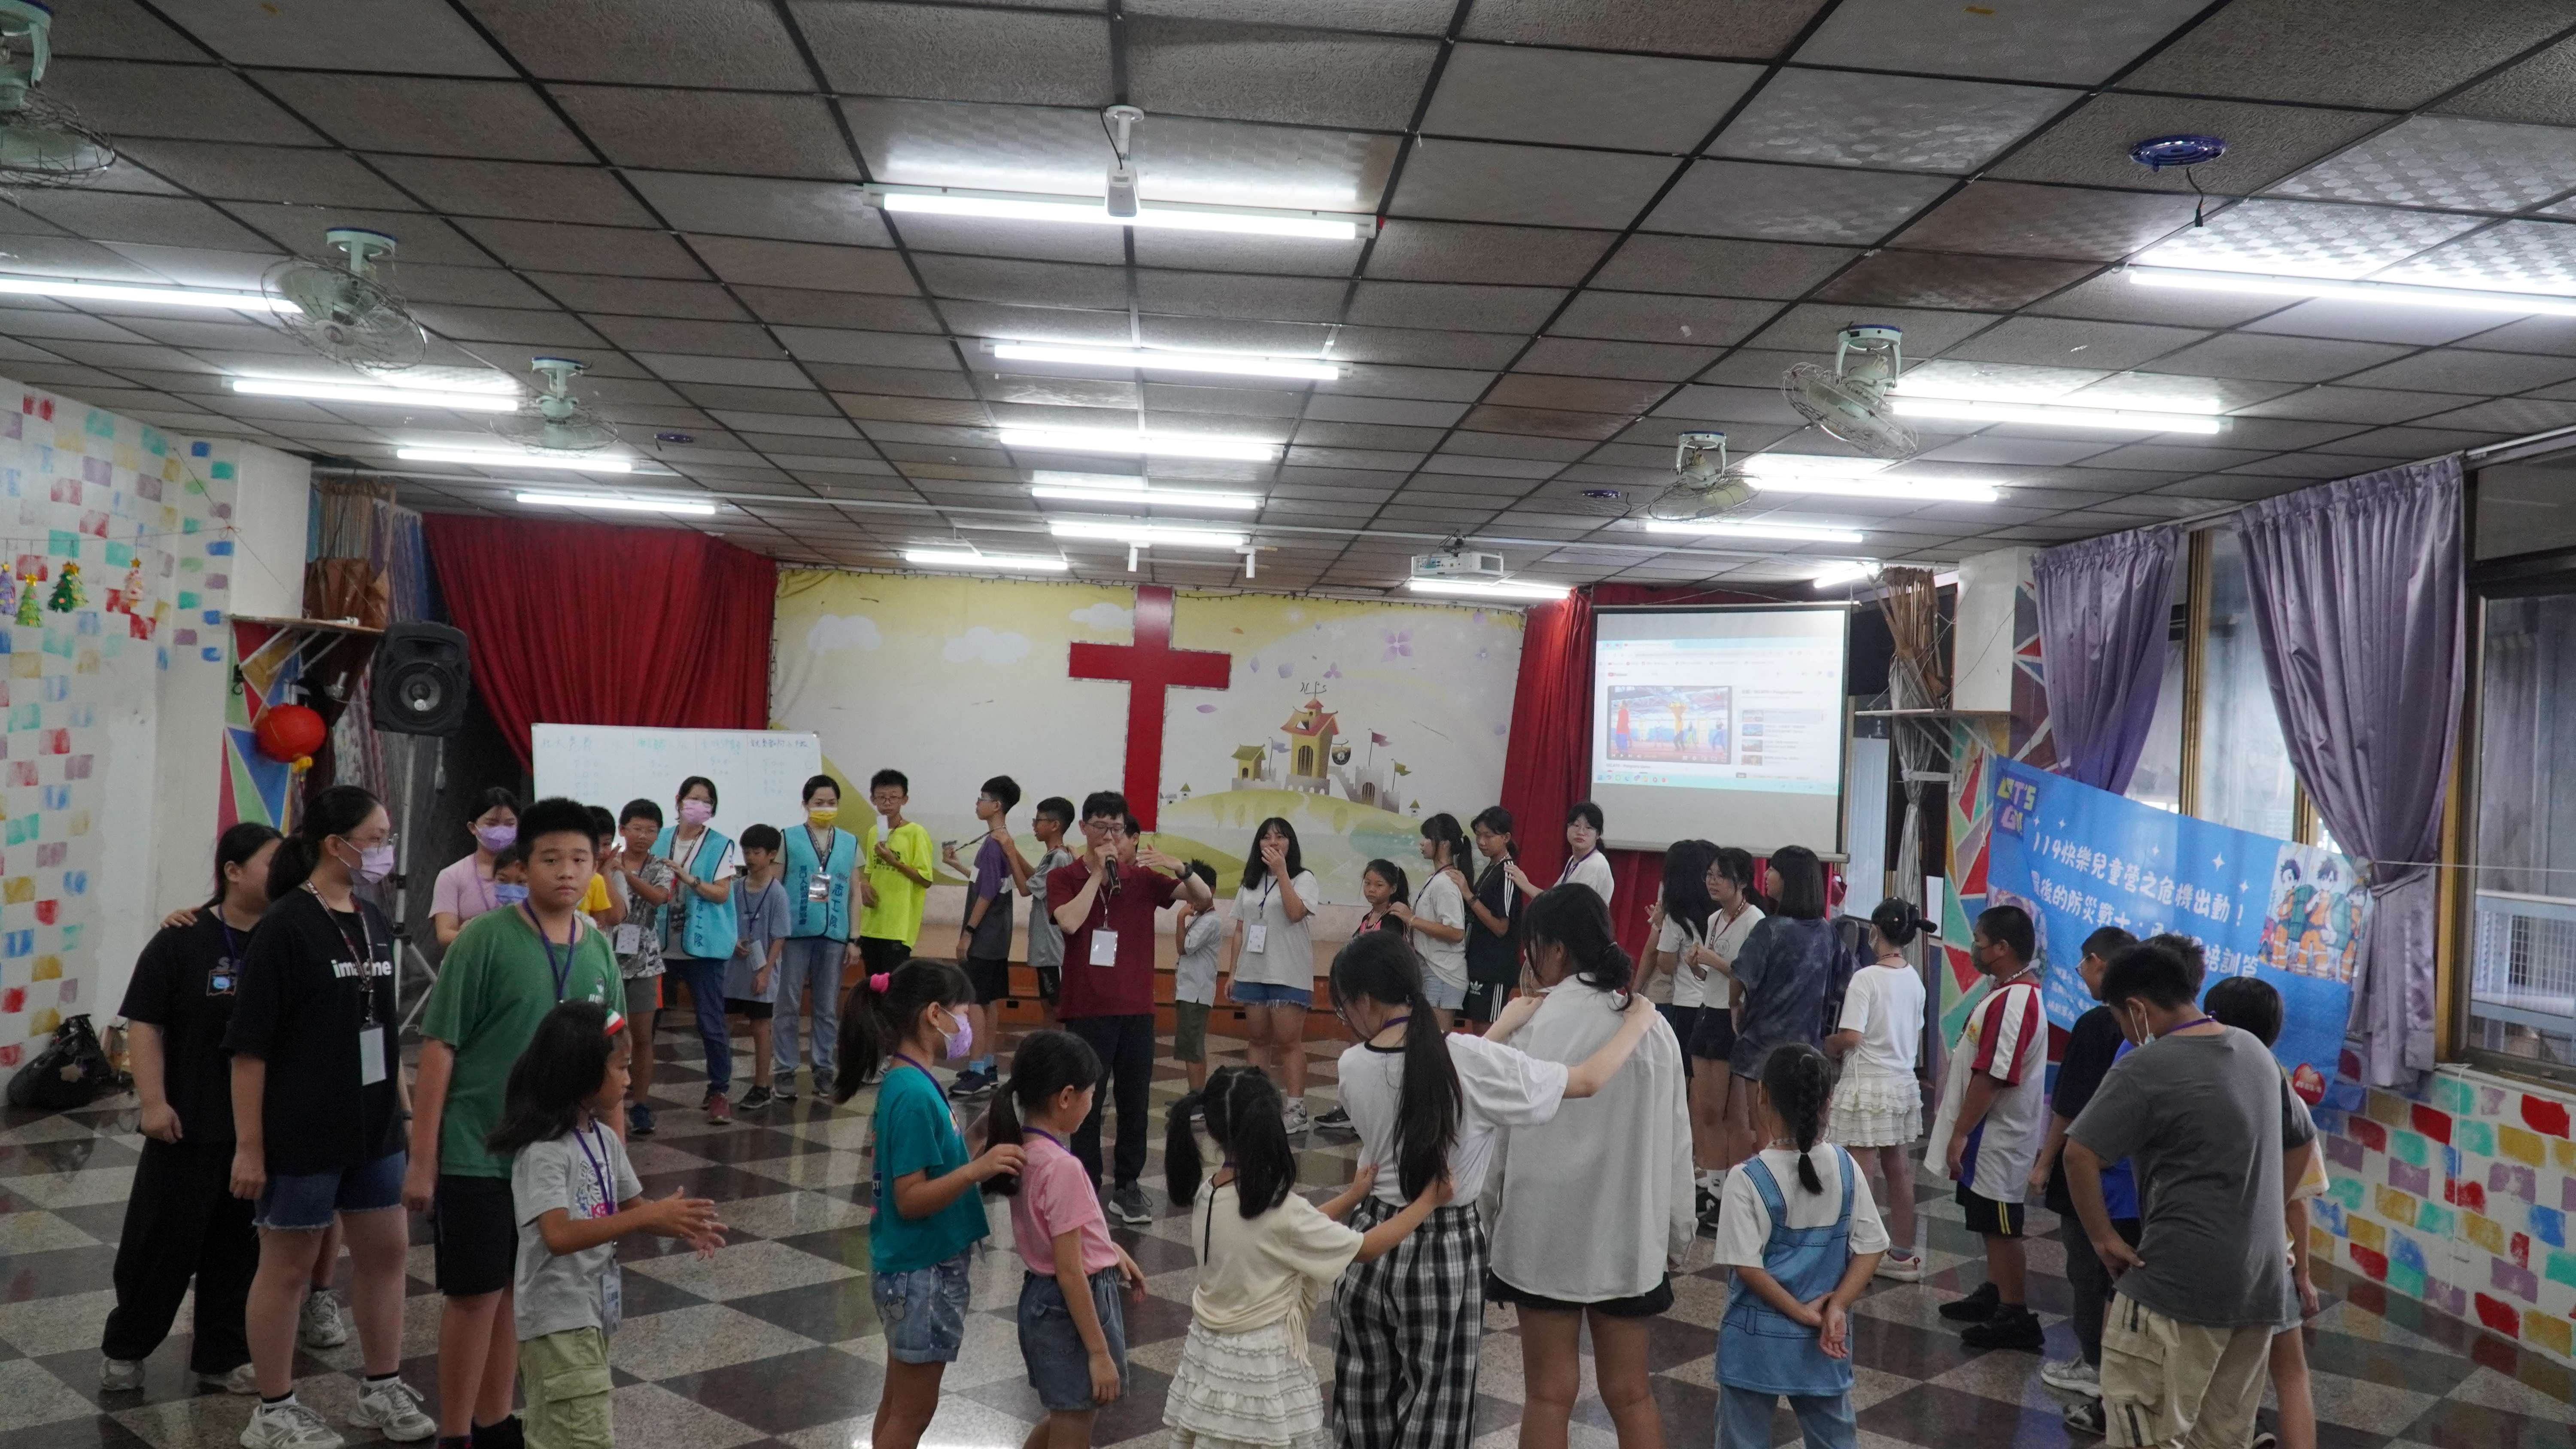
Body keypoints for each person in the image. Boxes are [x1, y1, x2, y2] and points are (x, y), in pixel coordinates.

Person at [1326, 930, 1658, 1449]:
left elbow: (1432, 1070)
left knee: (1363, 1397)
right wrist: (1638, 1022)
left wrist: (1502, 1024)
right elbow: (1587, 1080)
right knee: (1436, 1406)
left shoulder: (1352, 1066)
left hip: (1369, 1240)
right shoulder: (1469, 1061)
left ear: (1365, 1001)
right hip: (1443, 1249)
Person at [223, 785, 437, 1449]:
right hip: (302, 1127)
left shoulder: (370, 917)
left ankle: (381, 1387)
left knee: (387, 1252)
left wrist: (404, 1117)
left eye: (386, 838)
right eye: (375, 839)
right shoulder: (286, 925)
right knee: (288, 1267)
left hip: (373, 1127)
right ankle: (274, 1409)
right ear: (334, 844)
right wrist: (250, 1147)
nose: (384, 851)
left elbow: (381, 1030)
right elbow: (249, 1050)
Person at [410, 797, 624, 1449]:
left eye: (580, 859)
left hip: (556, 1161)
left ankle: (494, 1421)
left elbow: (611, 1059)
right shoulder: (483, 939)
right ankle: (455, 1433)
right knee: (475, 1296)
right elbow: (440, 1046)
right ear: (521, 867)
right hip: (479, 1149)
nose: (567, 871)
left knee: (519, 1293)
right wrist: (423, 1160)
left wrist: (615, 1162)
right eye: (551, 859)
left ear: (595, 868)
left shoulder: (598, 948)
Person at [2065, 941, 2318, 1449]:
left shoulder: (2145, 1065)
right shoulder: (2255, 1051)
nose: (2123, 1028)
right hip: (2257, 1284)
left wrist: (2103, 1237)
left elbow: (2079, 1154)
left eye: (2120, 1017)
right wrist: (2263, 1210)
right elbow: (2302, 1140)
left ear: (2137, 1007)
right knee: (2222, 1437)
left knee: (2144, 1433)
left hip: (2175, 1282)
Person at [1482, 886, 1693, 1449]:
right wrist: (1676, 1235)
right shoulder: (1651, 1027)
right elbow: (1678, 1144)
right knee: (1632, 1394)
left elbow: (1496, 1144)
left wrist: (1489, 1222)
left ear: (1554, 950)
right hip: (1626, 1237)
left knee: (1547, 1394)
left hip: (1539, 1235)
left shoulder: (1530, 1025)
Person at [1163, 1066, 1449, 1449]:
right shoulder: (1276, 1210)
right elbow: (1363, 1247)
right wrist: (1428, 1202)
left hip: (1211, 1355)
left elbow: (1289, 1232)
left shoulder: (1208, 1192)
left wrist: (1352, 1196)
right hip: (1261, 1364)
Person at [488, 1001, 724, 1449]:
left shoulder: (603, 1139)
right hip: (557, 1323)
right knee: (580, 1438)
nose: (629, 1079)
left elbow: (635, 1207)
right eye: (621, 1067)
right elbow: (558, 1235)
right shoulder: (544, 1152)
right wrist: (646, 1216)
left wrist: (679, 1224)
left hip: (590, 1315)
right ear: (582, 1073)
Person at [100, 822, 283, 1396]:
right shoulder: (181, 939)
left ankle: (222, 1355)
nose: (283, 874)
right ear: (233, 871)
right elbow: (146, 1025)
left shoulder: (286, 936)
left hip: (260, 1129)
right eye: (272, 862)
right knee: (160, 1245)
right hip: (188, 1123)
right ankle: (127, 1346)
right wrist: (153, 1103)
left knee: (239, 1248)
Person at [837, 961, 1027, 1449]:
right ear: (934, 1014)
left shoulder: (913, 1081)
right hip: (923, 1271)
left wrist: (978, 1135)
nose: (967, 1023)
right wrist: (978, 1170)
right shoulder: (914, 1093)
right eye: (962, 1011)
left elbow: (934, 1164)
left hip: (910, 1267)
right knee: (913, 1413)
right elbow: (911, 1197)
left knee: (897, 1404)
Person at [1049, 794, 1216, 1224]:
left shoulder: (1141, 879)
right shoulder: (1065, 876)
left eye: (1117, 828)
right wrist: (1096, 876)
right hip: (1088, 1010)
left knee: (1135, 1103)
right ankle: (1086, 1184)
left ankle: (1128, 1185)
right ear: (1083, 828)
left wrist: (1181, 868)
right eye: (1101, 827)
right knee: (1086, 1102)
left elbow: (1203, 898)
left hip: (1137, 1010)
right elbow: (1069, 921)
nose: (1110, 836)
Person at [1710, 1044, 1887, 1449]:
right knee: (1834, 1439)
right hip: (1824, 1339)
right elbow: (1872, 1247)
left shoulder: (1746, 1179)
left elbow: (1747, 1267)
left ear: (1762, 1095)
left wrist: (1798, 1312)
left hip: (1754, 1343)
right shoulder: (1845, 1166)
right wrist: (1836, 1306)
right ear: (1828, 1101)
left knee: (1742, 1440)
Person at [985, 1030, 1147, 1449]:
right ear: (1066, 1097)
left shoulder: (1024, 1151)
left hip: (1043, 1300)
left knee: (1067, 1414)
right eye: (1093, 1094)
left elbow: (1060, 1235)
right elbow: (1070, 1270)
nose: (1095, 1103)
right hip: (1071, 1308)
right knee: (1073, 1421)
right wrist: (1098, 1353)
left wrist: (1108, 1249)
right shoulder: (1063, 1167)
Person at [2203, 976, 2327, 1449]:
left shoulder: (2193, 1080)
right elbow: (2297, 1200)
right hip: (2269, 1260)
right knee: (2291, 1374)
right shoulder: (2283, 1092)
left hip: (2201, 1255)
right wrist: (2304, 1274)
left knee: (2206, 1379)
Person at [2028, 926, 2142, 1418]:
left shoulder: (2100, 1025)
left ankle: (2096, 1364)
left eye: (2083, 963)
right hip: (2140, 1190)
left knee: (2090, 1269)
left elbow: (2071, 1107)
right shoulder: (2154, 1032)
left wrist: (2044, 1162)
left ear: (2099, 962)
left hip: (2101, 1182)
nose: (2079, 972)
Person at [1926, 904, 2049, 1352]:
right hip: (1989, 1134)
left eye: (1978, 941)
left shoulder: (2016, 1000)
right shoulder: (2005, 991)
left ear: (2001, 948)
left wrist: (1961, 1132)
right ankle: (1995, 1292)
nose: (1973, 948)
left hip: (1998, 1137)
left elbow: (1995, 1073)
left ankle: (2015, 1313)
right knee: (1985, 1219)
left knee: (2002, 1225)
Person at [1824, 899, 1932, 1283]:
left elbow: (1852, 1036)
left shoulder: (1866, 978)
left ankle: (1860, 1258)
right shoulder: (1914, 980)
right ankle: (1902, 1254)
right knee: (1899, 1171)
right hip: (1900, 1084)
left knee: (1860, 1174)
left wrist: (1829, 1042)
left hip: (1867, 1083)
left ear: (1875, 930)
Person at [1221, 816, 1322, 1133]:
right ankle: (1258, 1104)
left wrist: (1282, 873)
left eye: (1280, 837)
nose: (1273, 842)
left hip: (1287, 972)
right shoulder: (1250, 881)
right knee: (1257, 1039)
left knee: (1289, 1042)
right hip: (1253, 971)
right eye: (1266, 837)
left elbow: (1295, 913)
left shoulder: (1304, 878)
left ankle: (1296, 1109)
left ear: (1291, 843)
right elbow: (1240, 929)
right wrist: (1233, 973)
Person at [1687, 848, 1767, 1228]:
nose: (1712, 882)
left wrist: (1712, 960)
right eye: (1709, 874)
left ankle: (1731, 1194)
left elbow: (1747, 976)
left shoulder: (1755, 920)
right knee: (1708, 1110)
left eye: (1720, 876)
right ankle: (1716, 1187)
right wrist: (1697, 966)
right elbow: (1711, 976)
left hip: (1732, 1018)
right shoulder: (1714, 918)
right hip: (1707, 1010)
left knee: (1729, 1114)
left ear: (1742, 882)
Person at [776, 773, 866, 1104]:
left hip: (834, 935)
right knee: (787, 1004)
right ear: (806, 804)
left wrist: (854, 938)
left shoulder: (849, 842)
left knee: (827, 1007)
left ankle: (824, 1069)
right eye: (819, 803)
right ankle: (784, 1070)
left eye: (831, 803)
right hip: (794, 934)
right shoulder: (788, 838)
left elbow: (855, 893)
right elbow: (775, 888)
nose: (825, 808)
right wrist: (774, 935)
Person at [656, 776, 742, 1124]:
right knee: (646, 1018)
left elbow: (722, 893)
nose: (699, 806)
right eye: (693, 799)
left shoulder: (721, 844)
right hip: (659, 944)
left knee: (710, 1021)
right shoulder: (659, 838)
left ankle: (719, 1090)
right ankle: (630, 1085)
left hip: (702, 948)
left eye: (707, 802)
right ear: (679, 800)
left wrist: (688, 878)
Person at [943, 774, 1024, 1102]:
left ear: (997, 805)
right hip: (998, 937)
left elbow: (987, 893)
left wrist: (968, 933)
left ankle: (977, 1068)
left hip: (986, 937)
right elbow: (985, 882)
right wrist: (958, 866)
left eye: (982, 798)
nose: (977, 804)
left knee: (976, 1001)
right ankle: (988, 1066)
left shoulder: (994, 844)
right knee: (988, 1000)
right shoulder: (1000, 840)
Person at [607, 800, 674, 1137]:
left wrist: (626, 874)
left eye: (651, 830)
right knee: (604, 1034)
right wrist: (610, 869)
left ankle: (642, 1105)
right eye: (637, 828)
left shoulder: (661, 866)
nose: (643, 836)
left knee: (642, 1037)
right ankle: (604, 1100)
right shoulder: (605, 862)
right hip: (605, 954)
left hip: (645, 959)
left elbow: (659, 897)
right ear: (623, 829)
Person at [723, 823, 791, 1114]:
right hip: (734, 970)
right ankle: (719, 1084)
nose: (750, 857)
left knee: (760, 1027)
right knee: (724, 1023)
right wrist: (733, 940)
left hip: (761, 970)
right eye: (746, 851)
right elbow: (727, 922)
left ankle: (762, 1086)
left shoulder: (777, 893)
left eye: (756, 852)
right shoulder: (735, 888)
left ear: (772, 854)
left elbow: (780, 937)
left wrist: (765, 973)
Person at [1641, 840, 1718, 1080]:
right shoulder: (1718, 911)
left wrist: (1661, 926)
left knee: (1684, 1073)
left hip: (1686, 1004)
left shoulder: (1675, 916)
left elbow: (1665, 966)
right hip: (1716, 1002)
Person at [1390, 814, 1473, 1029]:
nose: (1422, 843)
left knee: (1437, 1040)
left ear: (1444, 844)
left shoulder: (1445, 883)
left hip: (1443, 974)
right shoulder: (1436, 879)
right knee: (1427, 1038)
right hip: (1433, 970)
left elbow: (1456, 932)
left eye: (1427, 837)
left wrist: (1412, 919)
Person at [860, 768, 934, 976]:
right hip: (872, 924)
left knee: (893, 985)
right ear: (873, 799)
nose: (887, 803)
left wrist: (894, 862)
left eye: (894, 798)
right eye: (881, 798)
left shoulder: (916, 833)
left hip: (898, 927)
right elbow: (870, 870)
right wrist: (864, 884)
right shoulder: (874, 832)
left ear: (905, 800)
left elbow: (926, 880)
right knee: (872, 984)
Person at [1458, 806, 1522, 1031]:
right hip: (1480, 965)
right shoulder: (1492, 867)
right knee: (1478, 1029)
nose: (1481, 842)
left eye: (1488, 836)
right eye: (1478, 835)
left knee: (1488, 1034)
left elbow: (1501, 927)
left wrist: (1468, 895)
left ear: (1506, 838)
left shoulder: (1508, 872)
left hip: (1495, 969)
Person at [431, 787, 521, 947]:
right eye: (492, 824)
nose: (501, 830)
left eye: (509, 824)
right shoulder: (452, 876)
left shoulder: (531, 871)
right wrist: (488, 941)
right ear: (473, 828)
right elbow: (445, 934)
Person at [1022, 797, 1078, 1029]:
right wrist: (1012, 852)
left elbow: (1025, 889)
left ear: (1055, 825)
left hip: (1053, 949)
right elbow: (1034, 878)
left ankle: (1060, 1048)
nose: (1035, 825)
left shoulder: (1059, 857)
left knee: (1056, 1007)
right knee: (1048, 1004)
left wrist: (1010, 851)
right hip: (1046, 946)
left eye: (1039, 821)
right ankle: (1050, 1046)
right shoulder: (1053, 855)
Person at [1171, 861, 1224, 1093]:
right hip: (1190, 991)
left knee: (1192, 1048)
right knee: (1191, 1047)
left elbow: (1183, 948)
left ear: (1210, 890)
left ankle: (1196, 1098)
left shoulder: (1211, 921)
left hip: (1196, 993)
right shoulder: (1201, 918)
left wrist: (1180, 918)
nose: (1190, 897)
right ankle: (1196, 1095)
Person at [1549, 802, 1613, 905]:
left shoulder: (1595, 864)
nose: (1581, 832)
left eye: (1589, 828)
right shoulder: (1574, 859)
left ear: (1598, 835)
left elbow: (1567, 905)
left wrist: (1525, 884)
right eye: (1576, 825)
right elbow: (1552, 897)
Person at [579, 805, 623, 933]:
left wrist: (605, 874)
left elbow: (615, 917)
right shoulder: (570, 873)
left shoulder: (615, 873)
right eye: (594, 844)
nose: (601, 851)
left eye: (607, 844)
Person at [1355, 859, 1410, 939]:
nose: (1371, 890)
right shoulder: (1367, 918)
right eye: (1368, 883)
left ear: (1393, 889)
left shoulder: (1393, 920)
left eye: (1379, 885)